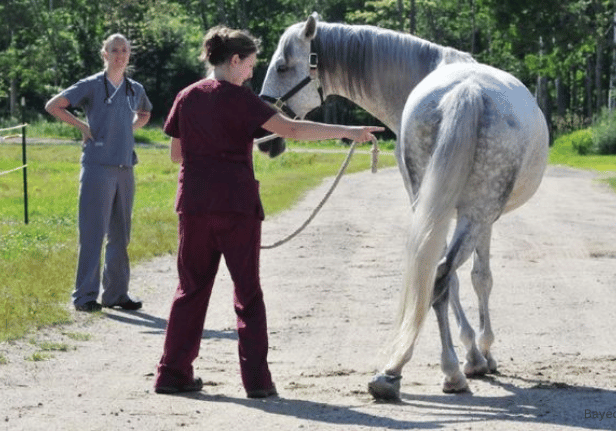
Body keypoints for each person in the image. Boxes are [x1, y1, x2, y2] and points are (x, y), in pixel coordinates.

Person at [155, 26, 383, 397]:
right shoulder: (242, 99)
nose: (251, 73)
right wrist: (349, 130)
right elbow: (291, 129)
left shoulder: (186, 96)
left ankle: (172, 373)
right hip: (237, 209)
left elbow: (177, 155)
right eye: (249, 65)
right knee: (248, 295)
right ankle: (257, 383)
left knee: (190, 290)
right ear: (234, 61)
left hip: (194, 207)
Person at [45, 34, 152, 313]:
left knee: (121, 235)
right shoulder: (92, 85)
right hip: (98, 167)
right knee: (93, 233)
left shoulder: (134, 89)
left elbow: (145, 114)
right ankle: (85, 297)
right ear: (104, 54)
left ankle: (116, 294)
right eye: (114, 50)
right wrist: (82, 126)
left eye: (124, 50)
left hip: (125, 167)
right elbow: (53, 105)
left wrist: (129, 128)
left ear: (129, 55)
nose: (119, 55)